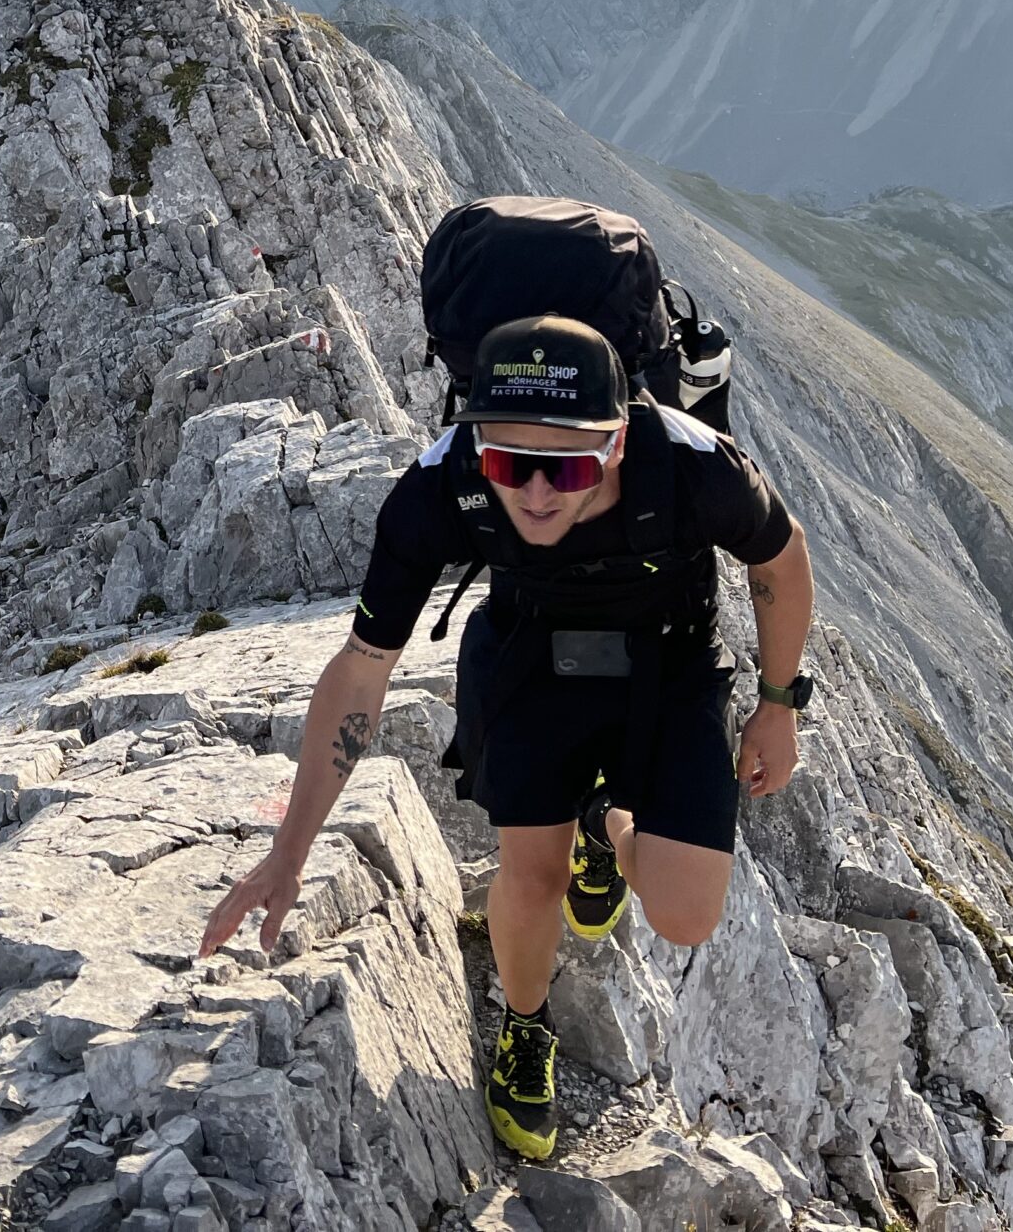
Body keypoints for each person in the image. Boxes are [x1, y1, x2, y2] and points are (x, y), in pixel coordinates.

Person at [198, 313, 815, 1160]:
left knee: (685, 913)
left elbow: (781, 559)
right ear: (476, 442)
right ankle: (526, 1031)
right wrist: (290, 852)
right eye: (506, 462)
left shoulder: (694, 464)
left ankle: (607, 822)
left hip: (667, 663)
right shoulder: (441, 487)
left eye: (564, 465)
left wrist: (777, 704)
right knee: (532, 873)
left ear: (618, 440)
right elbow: (361, 670)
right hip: (530, 659)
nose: (532, 491)